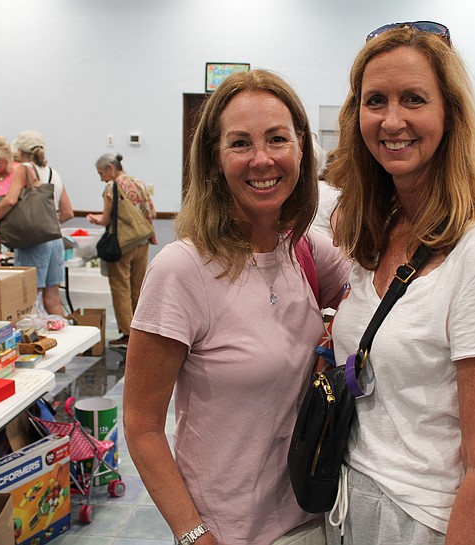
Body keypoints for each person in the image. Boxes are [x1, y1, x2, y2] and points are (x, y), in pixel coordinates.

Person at [325, 22, 475, 545]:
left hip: (431, 521)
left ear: (450, 114)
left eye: (414, 99)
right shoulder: (380, 229)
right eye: (375, 100)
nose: (392, 120)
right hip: (356, 503)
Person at [122, 69, 351, 545]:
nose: (262, 159)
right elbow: (142, 426)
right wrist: (193, 533)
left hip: (313, 522)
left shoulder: (307, 251)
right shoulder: (182, 271)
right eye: (240, 143)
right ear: (214, 158)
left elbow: (384, 293)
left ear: (302, 148)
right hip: (228, 533)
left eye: (277, 139)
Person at [0, 130, 73, 316]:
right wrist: (47, 224)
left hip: (33, 243)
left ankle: (33, 341)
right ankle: (60, 338)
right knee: (53, 299)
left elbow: (10, 200)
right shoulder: (54, 173)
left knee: (28, 299)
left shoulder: (24, 169)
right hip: (55, 240)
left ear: (19, 152)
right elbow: (68, 212)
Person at [86, 153, 156, 348]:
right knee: (139, 289)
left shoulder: (112, 187)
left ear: (110, 168)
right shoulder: (139, 183)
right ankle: (142, 331)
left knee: (120, 289)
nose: (101, 178)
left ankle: (127, 335)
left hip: (122, 245)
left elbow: (106, 220)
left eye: (101, 173)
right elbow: (152, 212)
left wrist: (94, 219)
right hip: (142, 241)